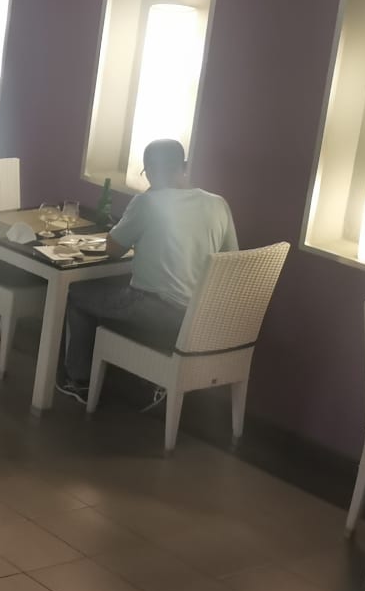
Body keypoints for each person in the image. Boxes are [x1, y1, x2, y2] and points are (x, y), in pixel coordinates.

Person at [58, 139, 239, 406]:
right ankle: (142, 382)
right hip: (199, 318)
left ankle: (78, 380)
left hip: (155, 310)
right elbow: (231, 260)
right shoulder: (218, 204)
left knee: (76, 294)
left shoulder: (147, 202)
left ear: (150, 171)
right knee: (115, 292)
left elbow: (113, 249)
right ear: (184, 166)